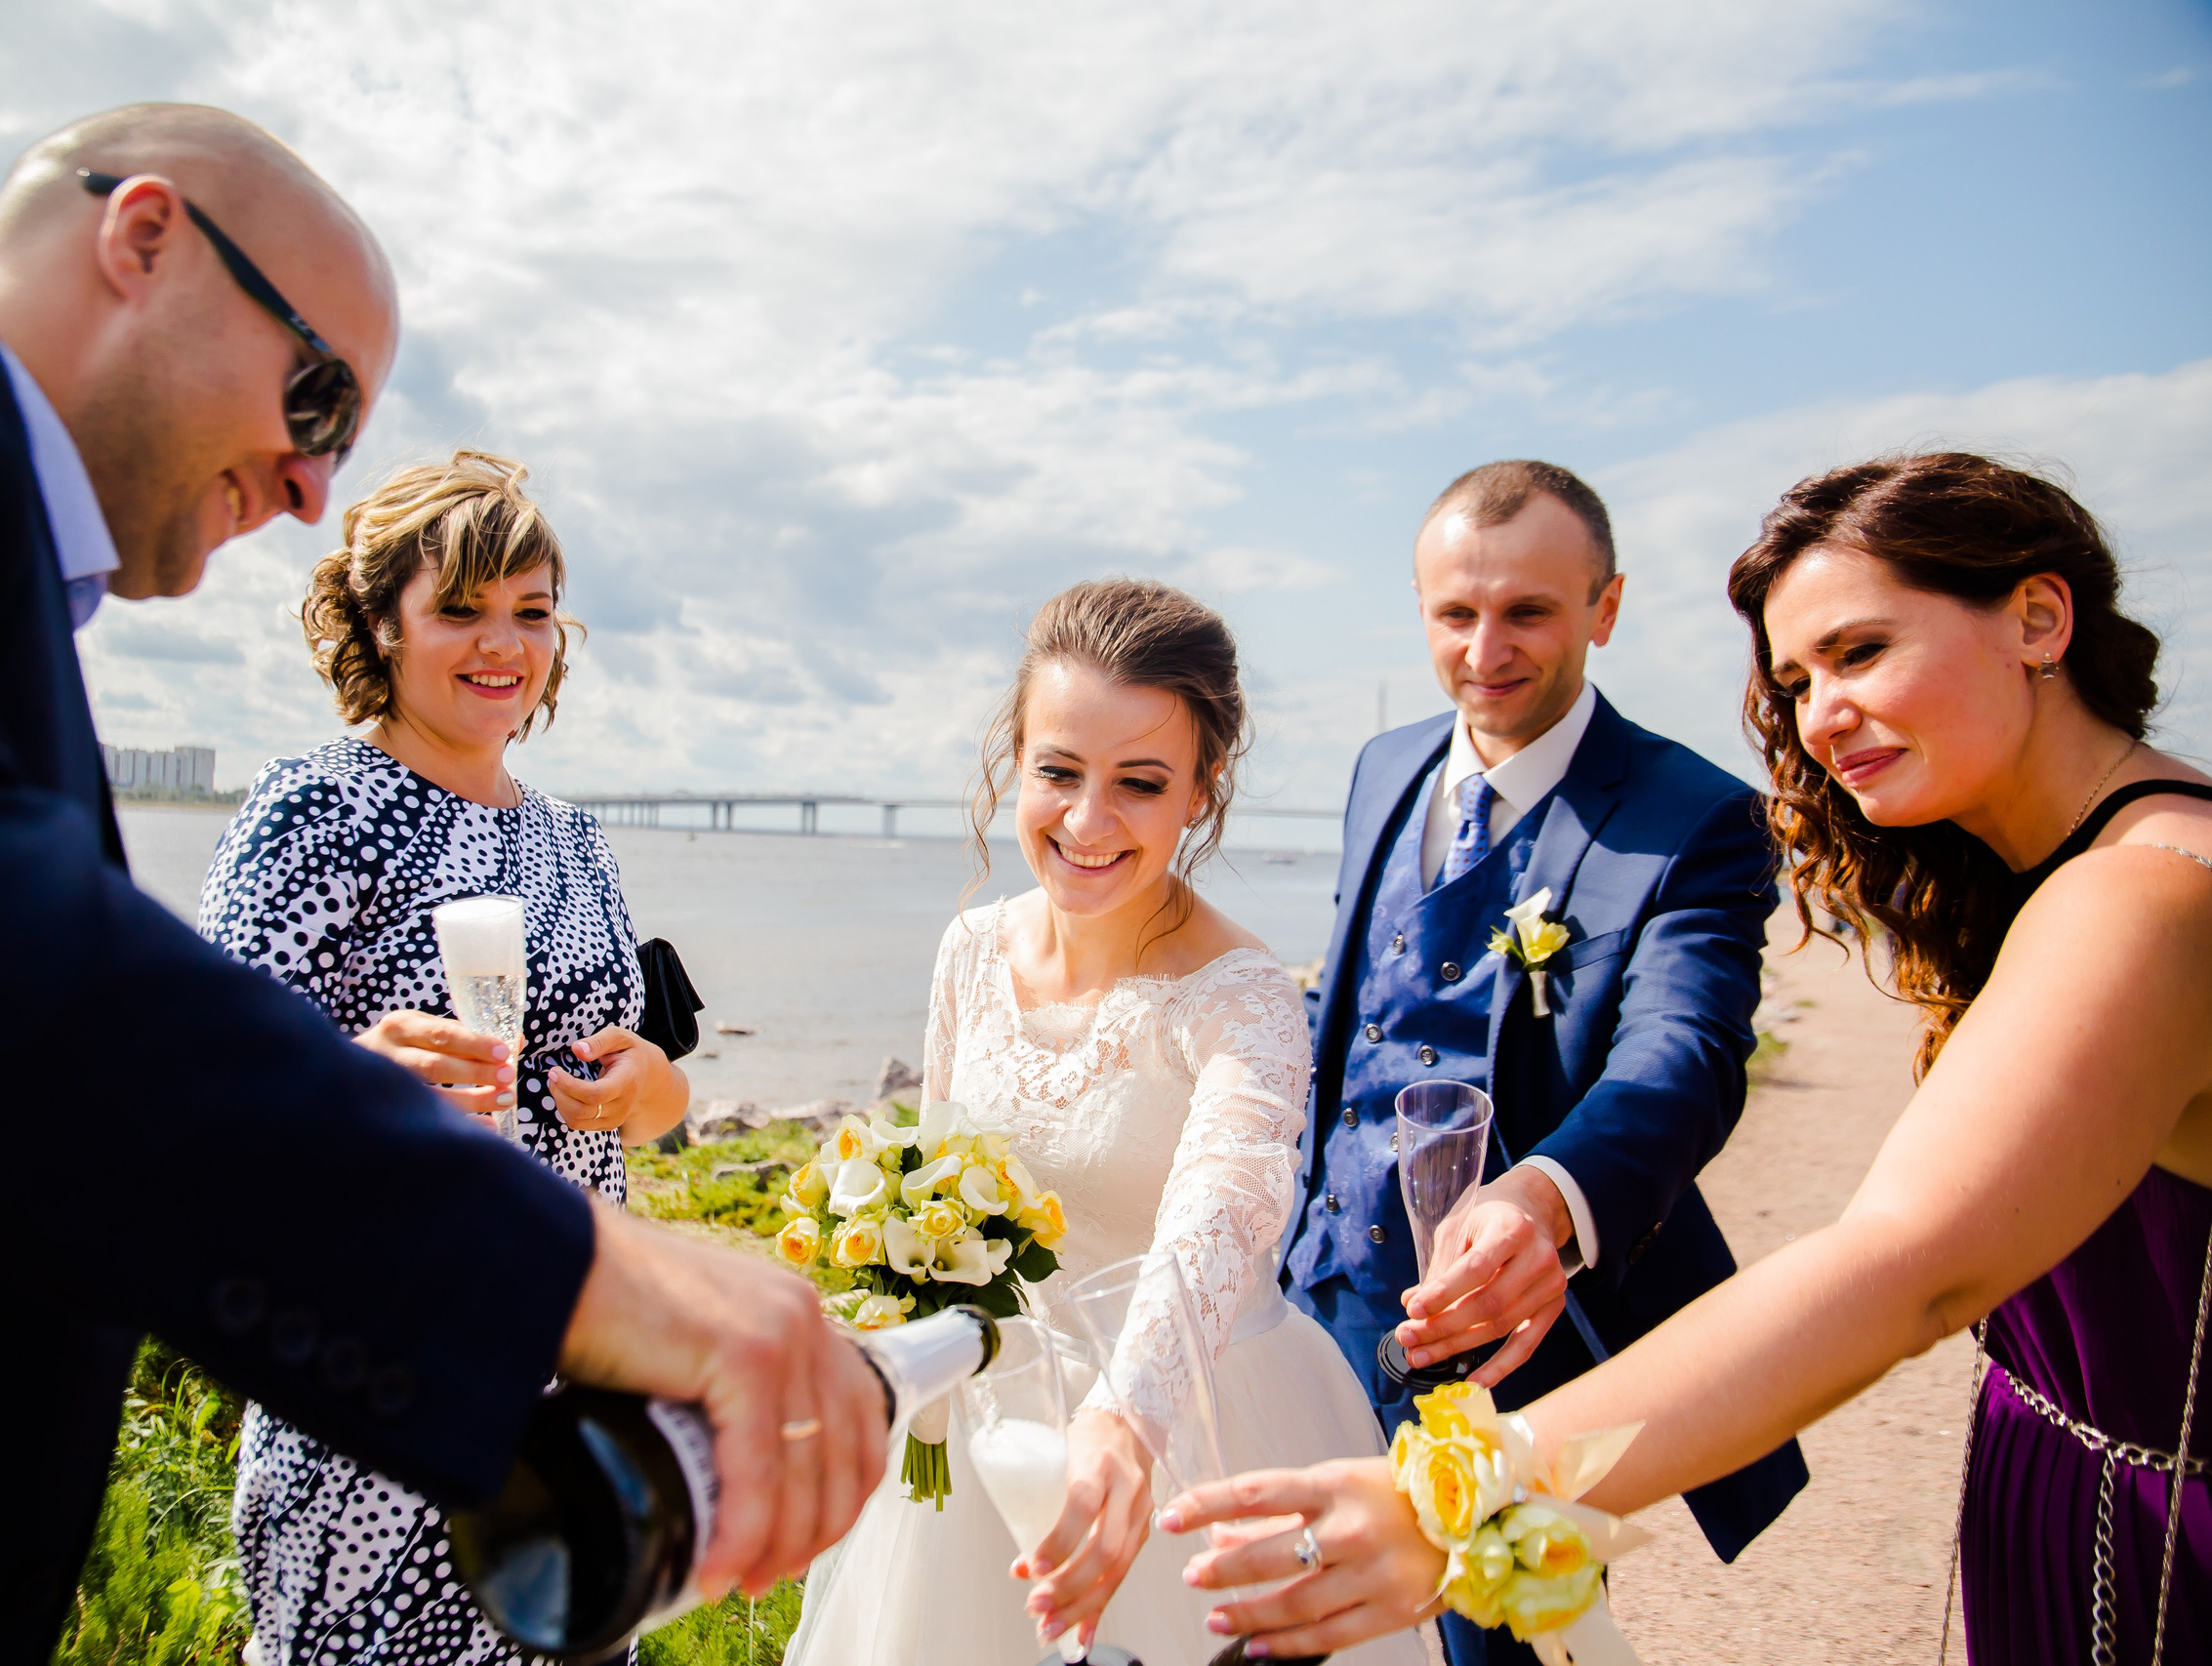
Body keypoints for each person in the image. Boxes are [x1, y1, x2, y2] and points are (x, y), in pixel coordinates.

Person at [0, 103, 881, 1662]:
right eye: (315, 389)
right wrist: (556, 1271)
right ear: (143, 237)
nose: (316, 482)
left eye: (343, 433)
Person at [1166, 453, 2211, 1664]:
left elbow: (1899, 1263)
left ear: (2037, 618)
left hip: (2149, 1541)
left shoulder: (2140, 898)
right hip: (2070, 1482)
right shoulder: (2087, 862)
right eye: (1796, 678)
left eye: (1861, 653)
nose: (1819, 717)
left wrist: (1457, 1499)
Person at [785, 580, 1414, 1666]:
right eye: (1058, 772)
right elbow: (935, 1173)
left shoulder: (1243, 994)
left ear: (1201, 791)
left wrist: (1131, 1418)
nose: (1086, 821)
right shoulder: (969, 952)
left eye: (1139, 783)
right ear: (1014, 759)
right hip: (992, 1426)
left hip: (1197, 1429)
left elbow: (1226, 1209)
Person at [1278, 460, 1805, 1663]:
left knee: (1495, 1642)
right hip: (1318, 1295)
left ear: (1603, 609)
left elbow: (1684, 1054)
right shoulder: (1381, 767)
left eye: (1528, 610)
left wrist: (1545, 1201)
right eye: (1454, 614)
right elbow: (1347, 1010)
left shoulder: (1695, 817)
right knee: (1317, 1617)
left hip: (1518, 1334)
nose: (1484, 647)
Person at [201, 450, 688, 1662]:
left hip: (573, 1364)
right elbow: (205, 1098)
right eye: (460, 608)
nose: (502, 645)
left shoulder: (574, 838)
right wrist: (355, 1074)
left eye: (530, 612)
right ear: (381, 622)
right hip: (380, 1368)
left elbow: (657, 1095)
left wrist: (651, 1087)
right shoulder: (318, 810)